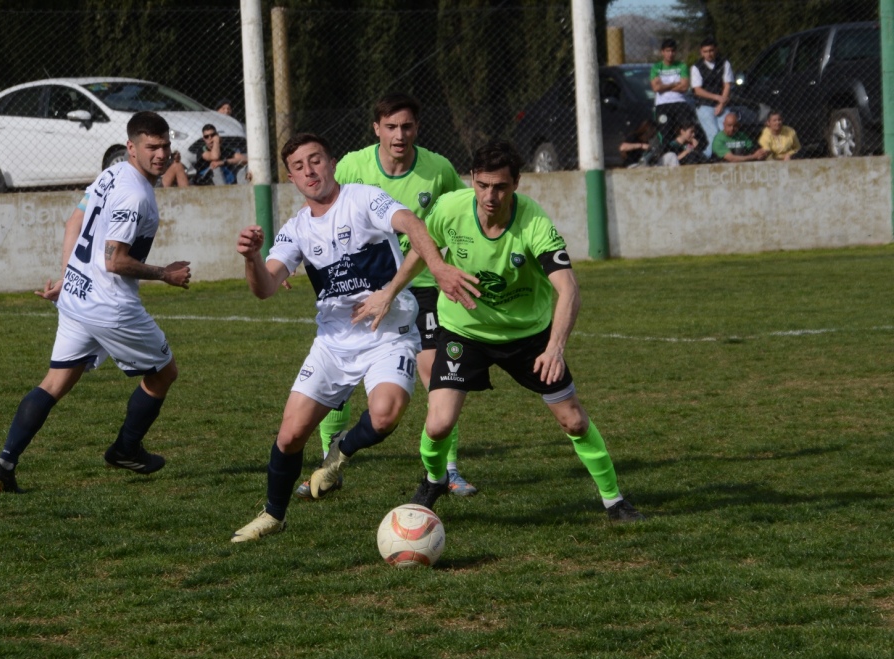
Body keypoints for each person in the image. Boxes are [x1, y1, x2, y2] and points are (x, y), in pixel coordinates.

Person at [355, 140, 644, 522]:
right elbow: (421, 250)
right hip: (464, 330)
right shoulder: (450, 209)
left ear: (517, 184)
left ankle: (614, 501)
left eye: (501, 187)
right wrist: (390, 292)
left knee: (572, 419)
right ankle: (434, 479)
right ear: (472, 180)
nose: (490, 196)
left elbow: (568, 288)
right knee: (439, 423)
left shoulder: (534, 222)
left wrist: (555, 348)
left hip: (528, 336)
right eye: (483, 185)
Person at [229, 132, 480, 542]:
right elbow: (265, 287)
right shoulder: (296, 230)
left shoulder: (363, 198)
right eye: (299, 166)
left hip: (389, 333)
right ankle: (273, 515)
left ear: (331, 162)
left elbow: (412, 223)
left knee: (384, 415)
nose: (310, 171)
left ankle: (339, 453)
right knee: (290, 436)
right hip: (333, 343)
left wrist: (430, 271)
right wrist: (251, 258)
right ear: (291, 178)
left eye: (316, 160)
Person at [0, 111, 192, 493]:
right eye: (151, 147)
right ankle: (126, 449)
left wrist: (67, 277)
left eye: (165, 146)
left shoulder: (110, 173)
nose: (160, 154)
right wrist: (166, 274)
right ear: (132, 147)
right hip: (109, 305)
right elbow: (115, 261)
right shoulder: (136, 194)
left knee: (55, 382)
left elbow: (72, 225)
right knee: (164, 373)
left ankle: (4, 463)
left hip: (78, 297)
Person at [298, 92, 478, 500]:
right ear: (376, 128)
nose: (400, 135)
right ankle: (331, 464)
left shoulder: (439, 169)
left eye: (407, 126)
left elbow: (461, 215)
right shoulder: (352, 166)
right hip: (363, 290)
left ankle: (447, 470)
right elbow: (321, 212)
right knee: (341, 381)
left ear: (418, 128)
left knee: (439, 375)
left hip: (425, 289)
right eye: (391, 127)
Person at [651, 38, 701, 151]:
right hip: (662, 104)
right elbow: (656, 87)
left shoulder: (681, 66)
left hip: (680, 102)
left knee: (688, 129)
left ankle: (688, 153)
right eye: (667, 51)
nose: (670, 54)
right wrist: (674, 84)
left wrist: (664, 86)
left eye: (673, 51)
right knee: (665, 132)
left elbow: (684, 87)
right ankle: (668, 154)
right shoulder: (656, 67)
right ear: (662, 52)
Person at [691, 38, 734, 159]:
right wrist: (717, 97)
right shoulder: (696, 67)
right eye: (705, 51)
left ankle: (709, 157)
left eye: (711, 50)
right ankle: (706, 157)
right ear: (701, 52)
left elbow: (727, 85)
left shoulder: (724, 63)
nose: (708, 54)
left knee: (726, 133)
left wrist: (721, 104)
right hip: (704, 105)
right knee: (714, 134)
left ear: (716, 50)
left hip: (722, 105)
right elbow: (698, 90)